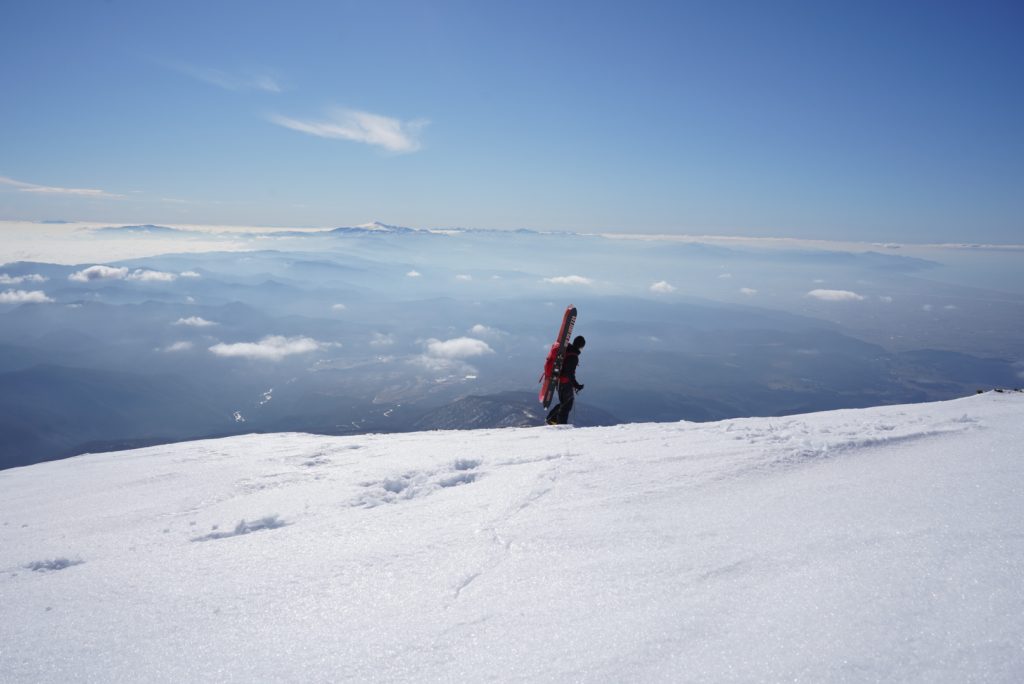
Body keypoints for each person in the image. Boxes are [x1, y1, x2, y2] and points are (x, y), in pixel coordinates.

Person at [546, 335, 585, 425]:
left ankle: (552, 420)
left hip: (560, 382)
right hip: (565, 383)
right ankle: (560, 425)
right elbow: (569, 373)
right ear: (581, 346)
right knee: (566, 405)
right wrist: (576, 385)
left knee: (564, 403)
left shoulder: (568, 350)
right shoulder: (573, 356)